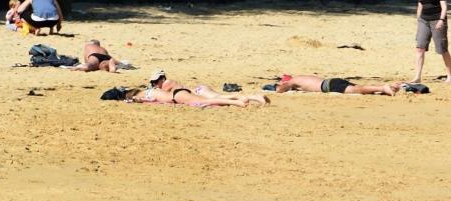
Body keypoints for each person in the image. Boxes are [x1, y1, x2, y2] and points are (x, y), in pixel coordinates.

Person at [148, 71, 268, 104]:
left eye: (155, 81)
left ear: (162, 78)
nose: (155, 84)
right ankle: (256, 97)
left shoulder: (167, 83)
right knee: (221, 97)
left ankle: (250, 98)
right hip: (199, 89)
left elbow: (163, 96)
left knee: (222, 97)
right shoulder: (169, 82)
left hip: (198, 92)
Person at [414, 0, 451, 84]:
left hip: (437, 19)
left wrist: (441, 20)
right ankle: (417, 77)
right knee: (419, 47)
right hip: (423, 20)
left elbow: (444, 6)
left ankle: (450, 76)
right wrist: (418, 19)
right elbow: (420, 4)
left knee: (442, 49)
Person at [123, 86, 268, 107]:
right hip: (178, 93)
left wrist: (130, 101)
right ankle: (253, 97)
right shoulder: (149, 89)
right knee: (209, 99)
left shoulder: (144, 95)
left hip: (177, 97)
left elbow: (149, 100)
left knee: (210, 101)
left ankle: (240, 103)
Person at [273, 74, 402, 96]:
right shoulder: (300, 78)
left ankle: (382, 87)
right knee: (360, 87)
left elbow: (279, 91)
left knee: (359, 90)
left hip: (328, 86)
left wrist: (280, 86)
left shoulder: (292, 81)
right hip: (332, 81)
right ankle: (389, 87)